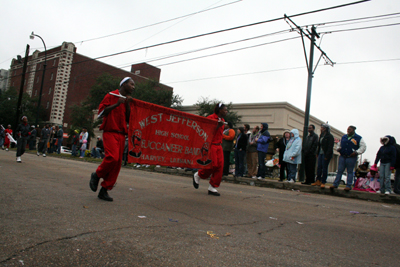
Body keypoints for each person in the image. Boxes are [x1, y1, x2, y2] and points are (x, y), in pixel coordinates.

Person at [90, 77, 135, 202]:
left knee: (117, 164)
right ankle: (97, 174)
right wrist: (117, 104)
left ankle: (104, 190)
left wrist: (127, 104)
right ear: (124, 84)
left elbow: (128, 118)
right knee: (112, 157)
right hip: (110, 132)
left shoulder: (127, 100)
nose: (133, 87)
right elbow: (100, 113)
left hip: (121, 134)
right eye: (131, 84)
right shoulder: (111, 95)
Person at [193, 103, 227, 196]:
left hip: (219, 145)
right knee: (213, 165)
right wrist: (218, 126)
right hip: (211, 145)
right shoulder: (211, 118)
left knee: (220, 167)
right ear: (220, 110)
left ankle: (212, 187)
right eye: (225, 110)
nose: (226, 112)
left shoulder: (223, 120)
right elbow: (206, 131)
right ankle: (199, 174)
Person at [330, 126, 366, 191]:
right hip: (343, 156)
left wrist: (356, 152)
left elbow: (363, 147)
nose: (348, 130)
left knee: (349, 171)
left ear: (353, 130)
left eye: (349, 129)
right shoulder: (344, 137)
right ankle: (335, 184)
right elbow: (339, 144)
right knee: (339, 171)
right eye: (347, 129)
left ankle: (348, 185)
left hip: (351, 157)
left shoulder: (358, 138)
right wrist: (338, 148)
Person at [312, 124, 334, 188]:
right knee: (319, 167)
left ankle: (323, 181)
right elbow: (319, 145)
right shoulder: (321, 135)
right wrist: (317, 152)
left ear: (326, 128)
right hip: (320, 153)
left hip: (325, 154)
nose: (321, 128)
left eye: (322, 127)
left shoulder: (330, 136)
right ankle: (318, 180)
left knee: (324, 168)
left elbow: (330, 147)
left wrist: (327, 155)